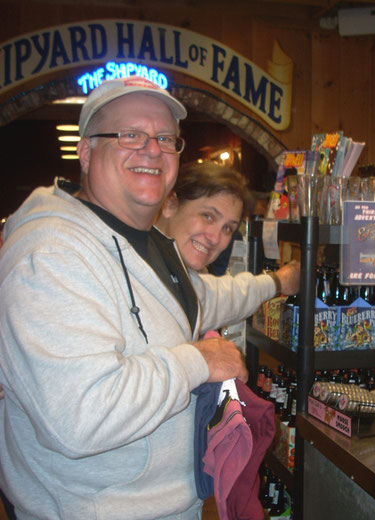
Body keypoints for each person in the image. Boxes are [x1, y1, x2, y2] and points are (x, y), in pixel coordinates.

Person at [0, 76, 300, 520]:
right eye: (130, 135)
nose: (152, 149)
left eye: (164, 138)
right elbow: (81, 415)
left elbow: (208, 297)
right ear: (85, 152)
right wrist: (199, 360)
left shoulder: (149, 245)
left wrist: (278, 282)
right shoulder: (51, 253)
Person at [155, 161, 251, 274]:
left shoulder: (193, 280)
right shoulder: (136, 278)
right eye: (208, 216)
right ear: (170, 204)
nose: (215, 239)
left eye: (227, 228)